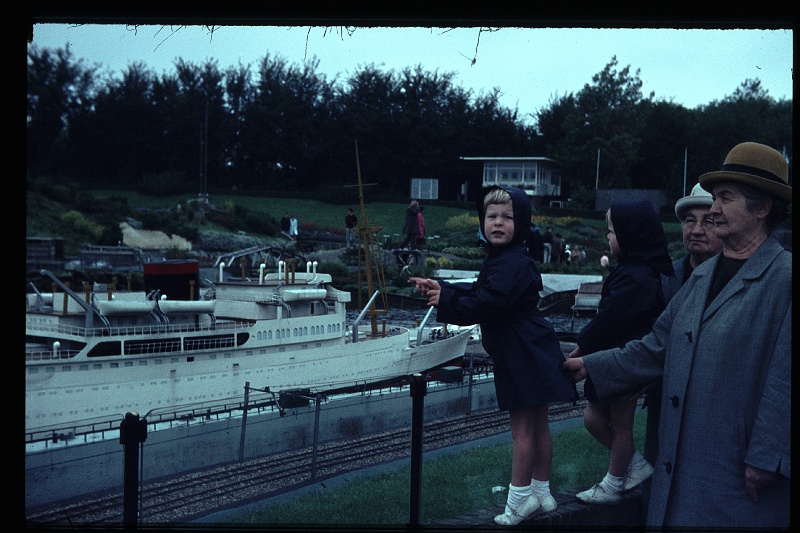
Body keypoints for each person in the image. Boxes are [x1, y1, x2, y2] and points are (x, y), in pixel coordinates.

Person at [563, 142, 791, 528]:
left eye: (725, 198)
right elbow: (656, 347)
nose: (713, 210)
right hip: (682, 473)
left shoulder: (784, 278)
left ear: (762, 208)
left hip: (740, 479)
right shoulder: (701, 277)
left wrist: (767, 459)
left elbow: (786, 381)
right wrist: (590, 365)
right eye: (715, 198)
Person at [410, 186, 577, 526]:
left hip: (520, 353)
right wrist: (444, 287)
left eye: (507, 217)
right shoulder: (509, 259)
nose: (498, 223)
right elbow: (480, 290)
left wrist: (446, 301)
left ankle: (518, 501)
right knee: (539, 425)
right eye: (491, 216)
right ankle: (541, 491)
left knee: (522, 430)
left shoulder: (509, 263)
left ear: (522, 222)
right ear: (482, 221)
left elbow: (487, 303)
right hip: (534, 348)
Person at [568, 200, 674, 506]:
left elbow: (609, 320)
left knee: (621, 423)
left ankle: (613, 483)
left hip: (624, 360)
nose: (608, 236)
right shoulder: (632, 271)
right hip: (609, 357)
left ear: (631, 235)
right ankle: (635, 464)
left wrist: (580, 348)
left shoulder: (639, 278)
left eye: (613, 231)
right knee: (594, 419)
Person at [644, 183, 722, 473]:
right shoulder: (665, 276)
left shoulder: (733, 279)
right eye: (690, 221)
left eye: (708, 222)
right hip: (662, 399)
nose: (697, 230)